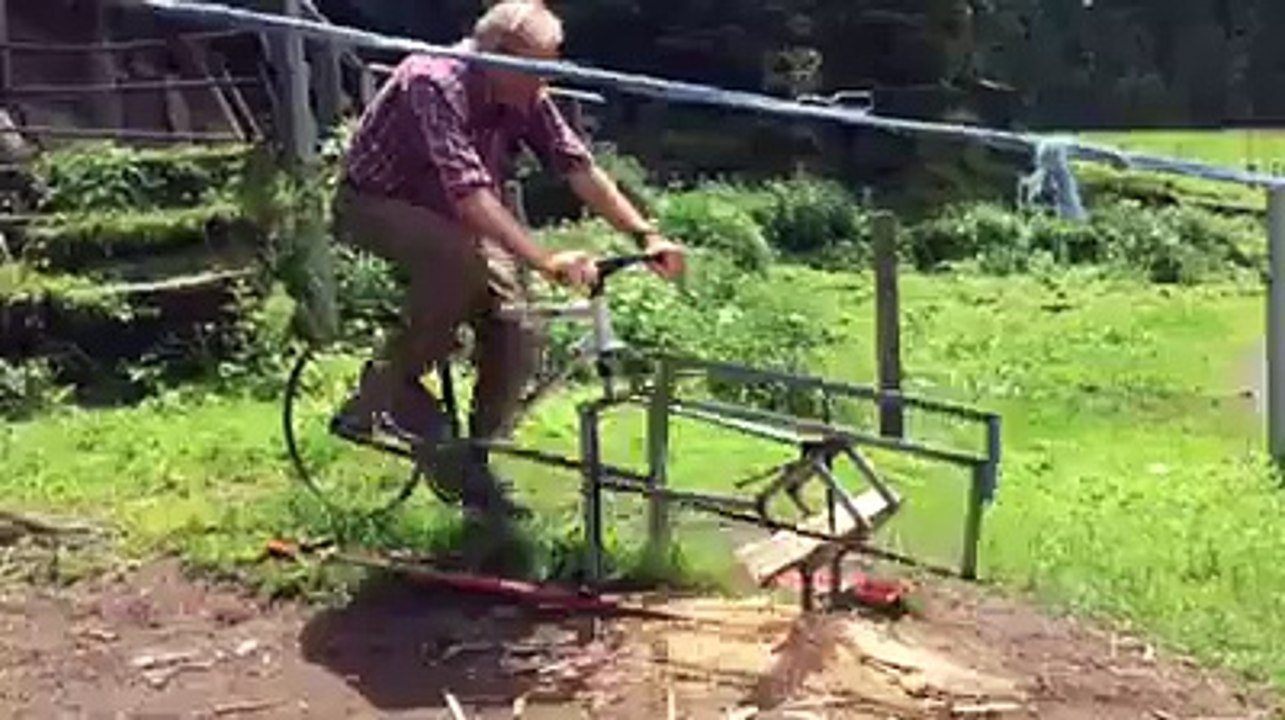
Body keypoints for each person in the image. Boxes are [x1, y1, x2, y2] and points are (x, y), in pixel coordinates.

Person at [329, 0, 685, 519]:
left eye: (551, 65)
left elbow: (576, 165)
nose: (545, 80)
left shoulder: (525, 90)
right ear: (496, 56)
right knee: (459, 266)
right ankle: (383, 388)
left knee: (520, 328)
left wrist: (644, 234)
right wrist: (545, 259)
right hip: (379, 202)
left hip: (456, 215)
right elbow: (469, 193)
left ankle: (476, 462)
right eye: (536, 67)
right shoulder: (431, 80)